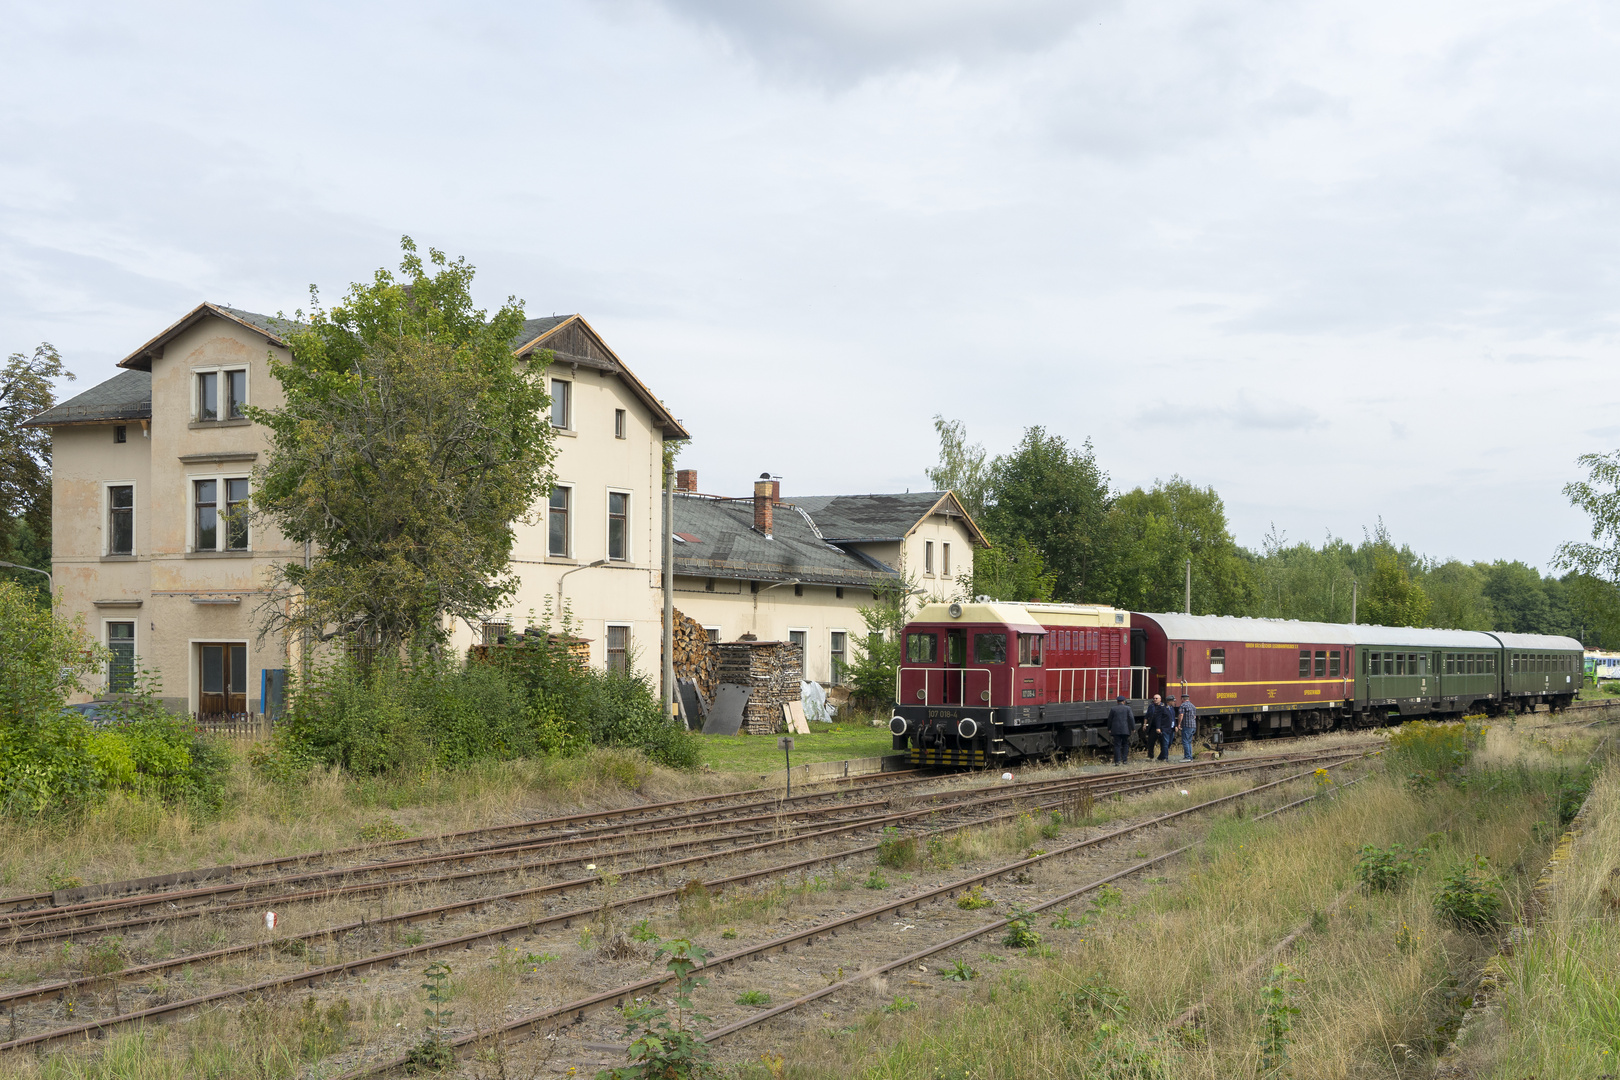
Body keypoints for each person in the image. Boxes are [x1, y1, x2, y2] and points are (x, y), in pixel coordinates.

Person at [1145, 694, 1174, 761]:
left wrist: (1174, 725)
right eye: (1154, 698)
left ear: (1160, 699)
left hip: (1164, 727)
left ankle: (1162, 756)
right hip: (1154, 727)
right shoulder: (1152, 706)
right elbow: (1153, 717)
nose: (1155, 700)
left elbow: (1172, 717)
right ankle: (1154, 756)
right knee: (1151, 742)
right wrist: (1145, 724)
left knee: (1165, 743)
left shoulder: (1167, 707)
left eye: (1156, 698)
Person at [1106, 695, 1134, 765]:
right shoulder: (1128, 708)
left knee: (1117, 745)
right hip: (1125, 729)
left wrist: (1109, 728)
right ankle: (1124, 760)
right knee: (1125, 744)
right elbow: (1131, 719)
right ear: (1124, 701)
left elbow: (1109, 720)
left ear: (1117, 702)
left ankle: (1117, 761)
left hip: (1116, 730)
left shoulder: (1113, 709)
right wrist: (1133, 728)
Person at [1177, 694, 1198, 761]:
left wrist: (1179, 724)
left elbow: (1181, 715)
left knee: (1185, 741)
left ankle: (1187, 757)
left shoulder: (1183, 705)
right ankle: (1190, 756)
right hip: (1193, 726)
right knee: (1189, 742)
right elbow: (1194, 716)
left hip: (1187, 726)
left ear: (1182, 699)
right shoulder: (1193, 706)